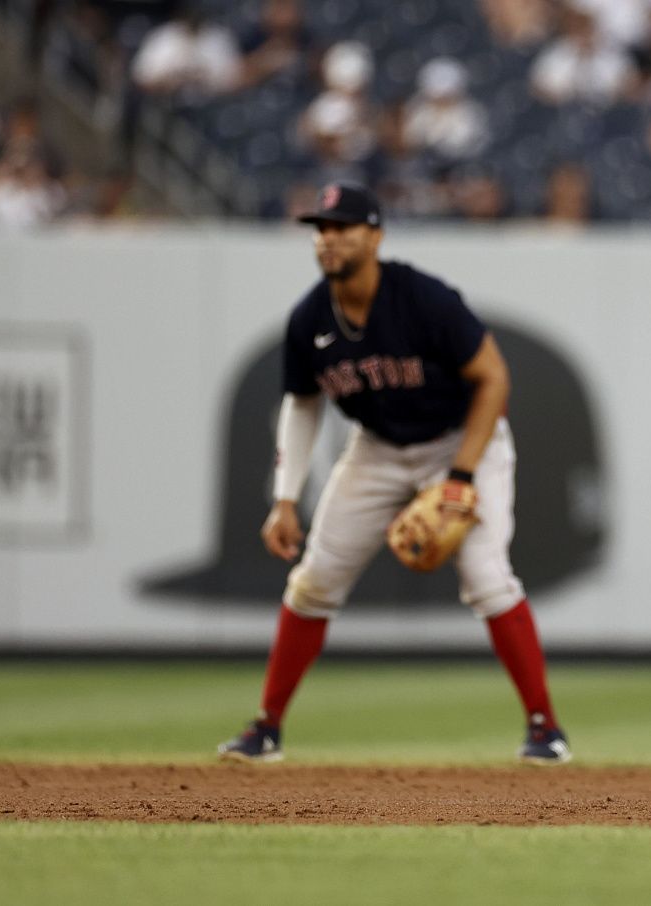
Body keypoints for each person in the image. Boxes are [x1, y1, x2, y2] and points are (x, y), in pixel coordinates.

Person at [218, 182, 571, 765]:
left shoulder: (422, 298)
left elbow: (494, 378)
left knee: (486, 576)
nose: (329, 239)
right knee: (314, 580)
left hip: (463, 439)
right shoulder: (309, 319)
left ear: (375, 236)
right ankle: (266, 728)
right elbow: (302, 404)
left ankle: (545, 727)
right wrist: (285, 499)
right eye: (321, 229)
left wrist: (461, 476)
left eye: (343, 227)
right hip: (377, 448)